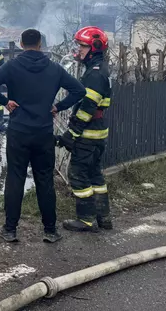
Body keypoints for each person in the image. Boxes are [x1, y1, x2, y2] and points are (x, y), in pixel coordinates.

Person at [0, 28, 85, 243]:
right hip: (43, 133)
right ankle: (50, 231)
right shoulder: (54, 68)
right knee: (45, 180)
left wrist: (5, 103)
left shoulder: (12, 66)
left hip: (18, 132)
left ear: (21, 44)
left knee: (15, 178)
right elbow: (79, 91)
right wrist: (58, 106)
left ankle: (10, 230)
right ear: (40, 44)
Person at [58, 26, 113, 233]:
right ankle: (103, 218)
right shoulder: (100, 69)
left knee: (78, 174)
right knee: (96, 176)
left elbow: (87, 108)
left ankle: (86, 219)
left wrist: (72, 133)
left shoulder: (95, 74)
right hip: (98, 133)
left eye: (82, 46)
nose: (78, 50)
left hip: (88, 135)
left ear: (94, 48)